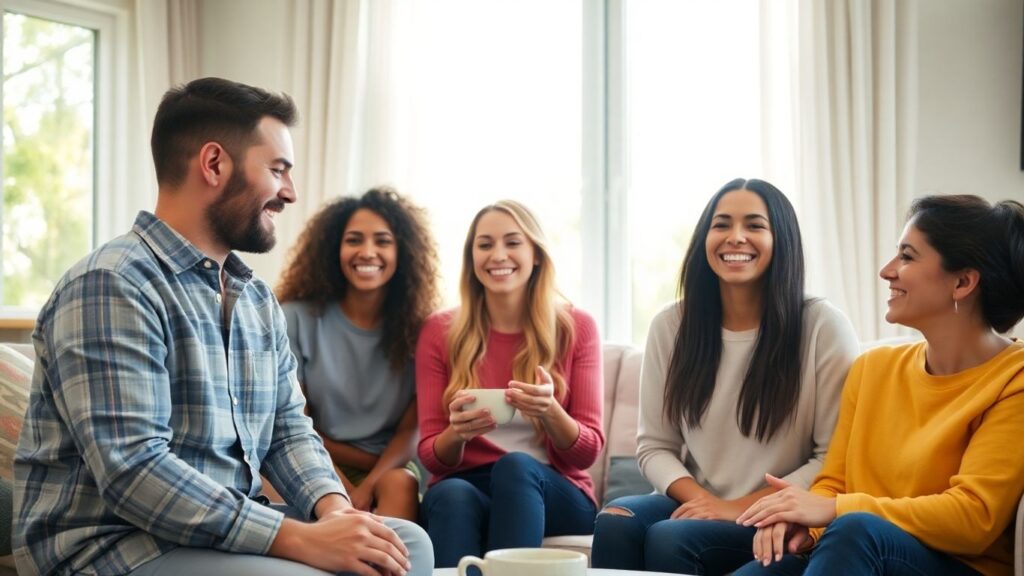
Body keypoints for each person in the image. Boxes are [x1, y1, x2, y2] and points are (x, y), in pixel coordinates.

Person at [12, 77, 433, 576]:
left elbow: (286, 429)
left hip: (220, 535)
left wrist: (335, 513)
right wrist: (297, 538)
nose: (291, 192)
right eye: (277, 170)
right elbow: (134, 470)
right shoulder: (112, 284)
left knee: (404, 545)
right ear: (214, 164)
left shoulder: (253, 297)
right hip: (115, 545)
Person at [736, 195, 1024, 576]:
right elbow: (833, 483)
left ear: (963, 282)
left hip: (957, 565)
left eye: (907, 256)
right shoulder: (872, 368)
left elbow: (974, 518)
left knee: (857, 530)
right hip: (854, 546)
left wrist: (836, 510)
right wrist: (804, 522)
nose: (887, 271)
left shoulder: (1014, 379)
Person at [591, 178, 859, 574]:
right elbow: (654, 445)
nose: (735, 237)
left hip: (777, 510)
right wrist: (703, 501)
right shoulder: (671, 325)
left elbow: (833, 456)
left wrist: (732, 508)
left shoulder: (822, 326)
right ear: (704, 238)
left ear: (781, 239)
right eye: (721, 225)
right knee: (616, 521)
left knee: (671, 537)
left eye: (754, 225)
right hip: (697, 497)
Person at [416, 200, 604, 567]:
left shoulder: (577, 327)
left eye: (513, 242)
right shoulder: (440, 331)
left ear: (536, 254)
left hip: (554, 488)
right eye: (485, 245)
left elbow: (587, 452)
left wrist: (551, 412)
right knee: (451, 494)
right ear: (472, 258)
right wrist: (457, 432)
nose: (498, 254)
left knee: (515, 467)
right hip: (468, 482)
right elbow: (431, 457)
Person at [277, 188, 440, 521]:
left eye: (382, 241)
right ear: (334, 248)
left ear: (403, 251)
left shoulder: (422, 331)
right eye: (354, 240)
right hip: (311, 457)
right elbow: (294, 424)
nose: (367, 252)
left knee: (401, 484)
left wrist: (367, 486)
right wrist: (337, 486)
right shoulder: (295, 318)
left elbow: (410, 432)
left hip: (388, 467)